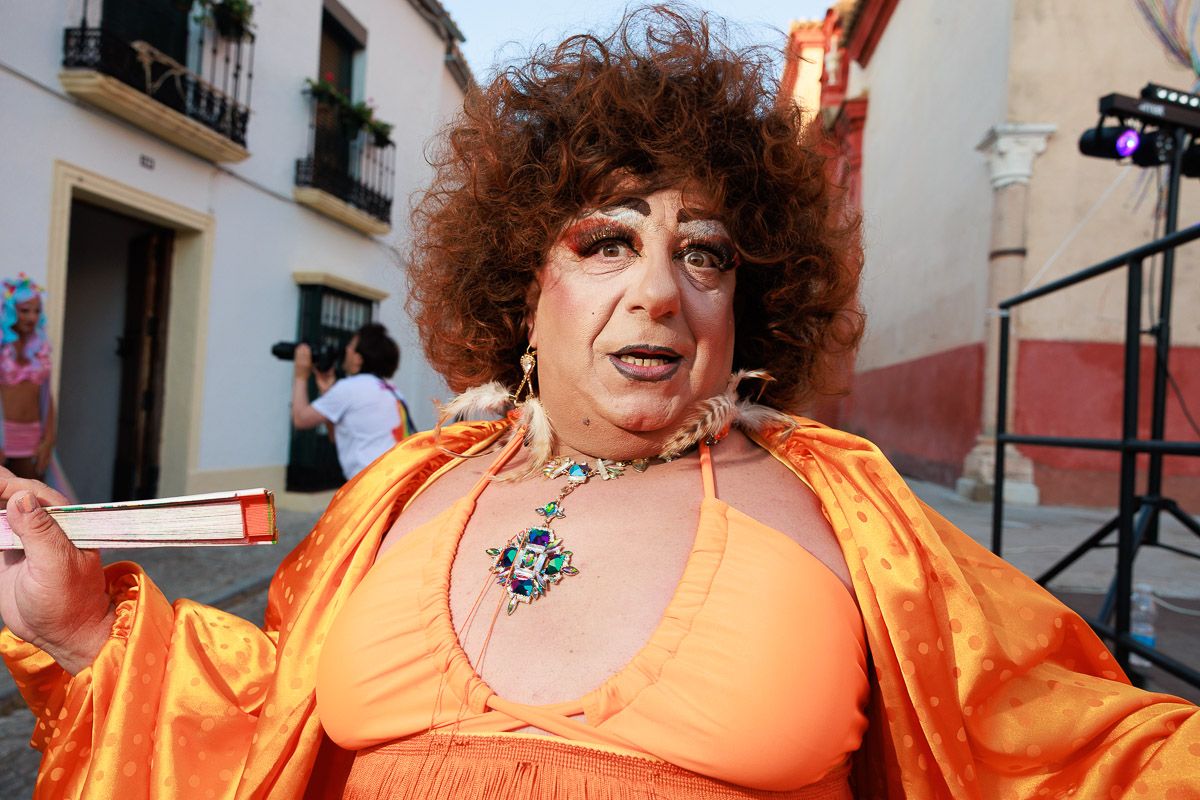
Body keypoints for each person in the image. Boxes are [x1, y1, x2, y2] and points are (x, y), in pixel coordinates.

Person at [1, 7, 1198, 799]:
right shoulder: (396, 495)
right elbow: (258, 725)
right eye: (607, 242)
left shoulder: (854, 512)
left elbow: (1071, 745)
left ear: (745, 305)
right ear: (523, 288)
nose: (661, 291)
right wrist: (88, 629)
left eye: (705, 253)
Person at [291, 322, 417, 481]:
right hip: (397, 480)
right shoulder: (391, 389)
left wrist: (301, 375)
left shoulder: (349, 388)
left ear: (358, 359)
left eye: (350, 346)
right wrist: (327, 393)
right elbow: (337, 437)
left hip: (372, 484)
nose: (346, 349)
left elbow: (300, 419)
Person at [0, 274, 57, 481]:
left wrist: (49, 438)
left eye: (37, 311)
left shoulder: (40, 349)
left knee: (33, 493)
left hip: (32, 437)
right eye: (25, 311)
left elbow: (47, 397)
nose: (32, 317)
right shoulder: (2, 348)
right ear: (9, 311)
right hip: (3, 435)